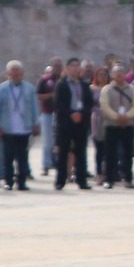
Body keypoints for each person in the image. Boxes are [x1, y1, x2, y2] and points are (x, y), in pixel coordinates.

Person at [0, 61, 38, 191]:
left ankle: (22, 182)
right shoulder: (1, 89)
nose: (16, 73)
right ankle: (8, 181)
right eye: (13, 71)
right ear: (8, 73)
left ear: (22, 73)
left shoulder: (29, 89)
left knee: (23, 157)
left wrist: (35, 124)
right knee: (7, 157)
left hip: (24, 128)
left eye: (18, 71)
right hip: (7, 128)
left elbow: (34, 107)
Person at [54, 58, 94, 189]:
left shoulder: (84, 85)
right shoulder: (61, 84)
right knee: (63, 152)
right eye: (72, 65)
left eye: (77, 65)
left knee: (81, 152)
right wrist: (71, 114)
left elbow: (89, 103)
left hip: (81, 122)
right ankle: (60, 181)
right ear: (67, 68)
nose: (75, 68)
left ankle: (82, 180)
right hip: (66, 123)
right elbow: (59, 104)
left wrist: (82, 114)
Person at [99, 66, 134, 189]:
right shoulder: (106, 89)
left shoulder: (132, 89)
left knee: (128, 154)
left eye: (121, 73)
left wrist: (127, 116)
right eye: (117, 73)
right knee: (110, 154)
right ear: (112, 75)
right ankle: (109, 179)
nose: (119, 75)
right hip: (111, 125)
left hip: (127, 125)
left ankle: (128, 179)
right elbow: (104, 106)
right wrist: (116, 117)